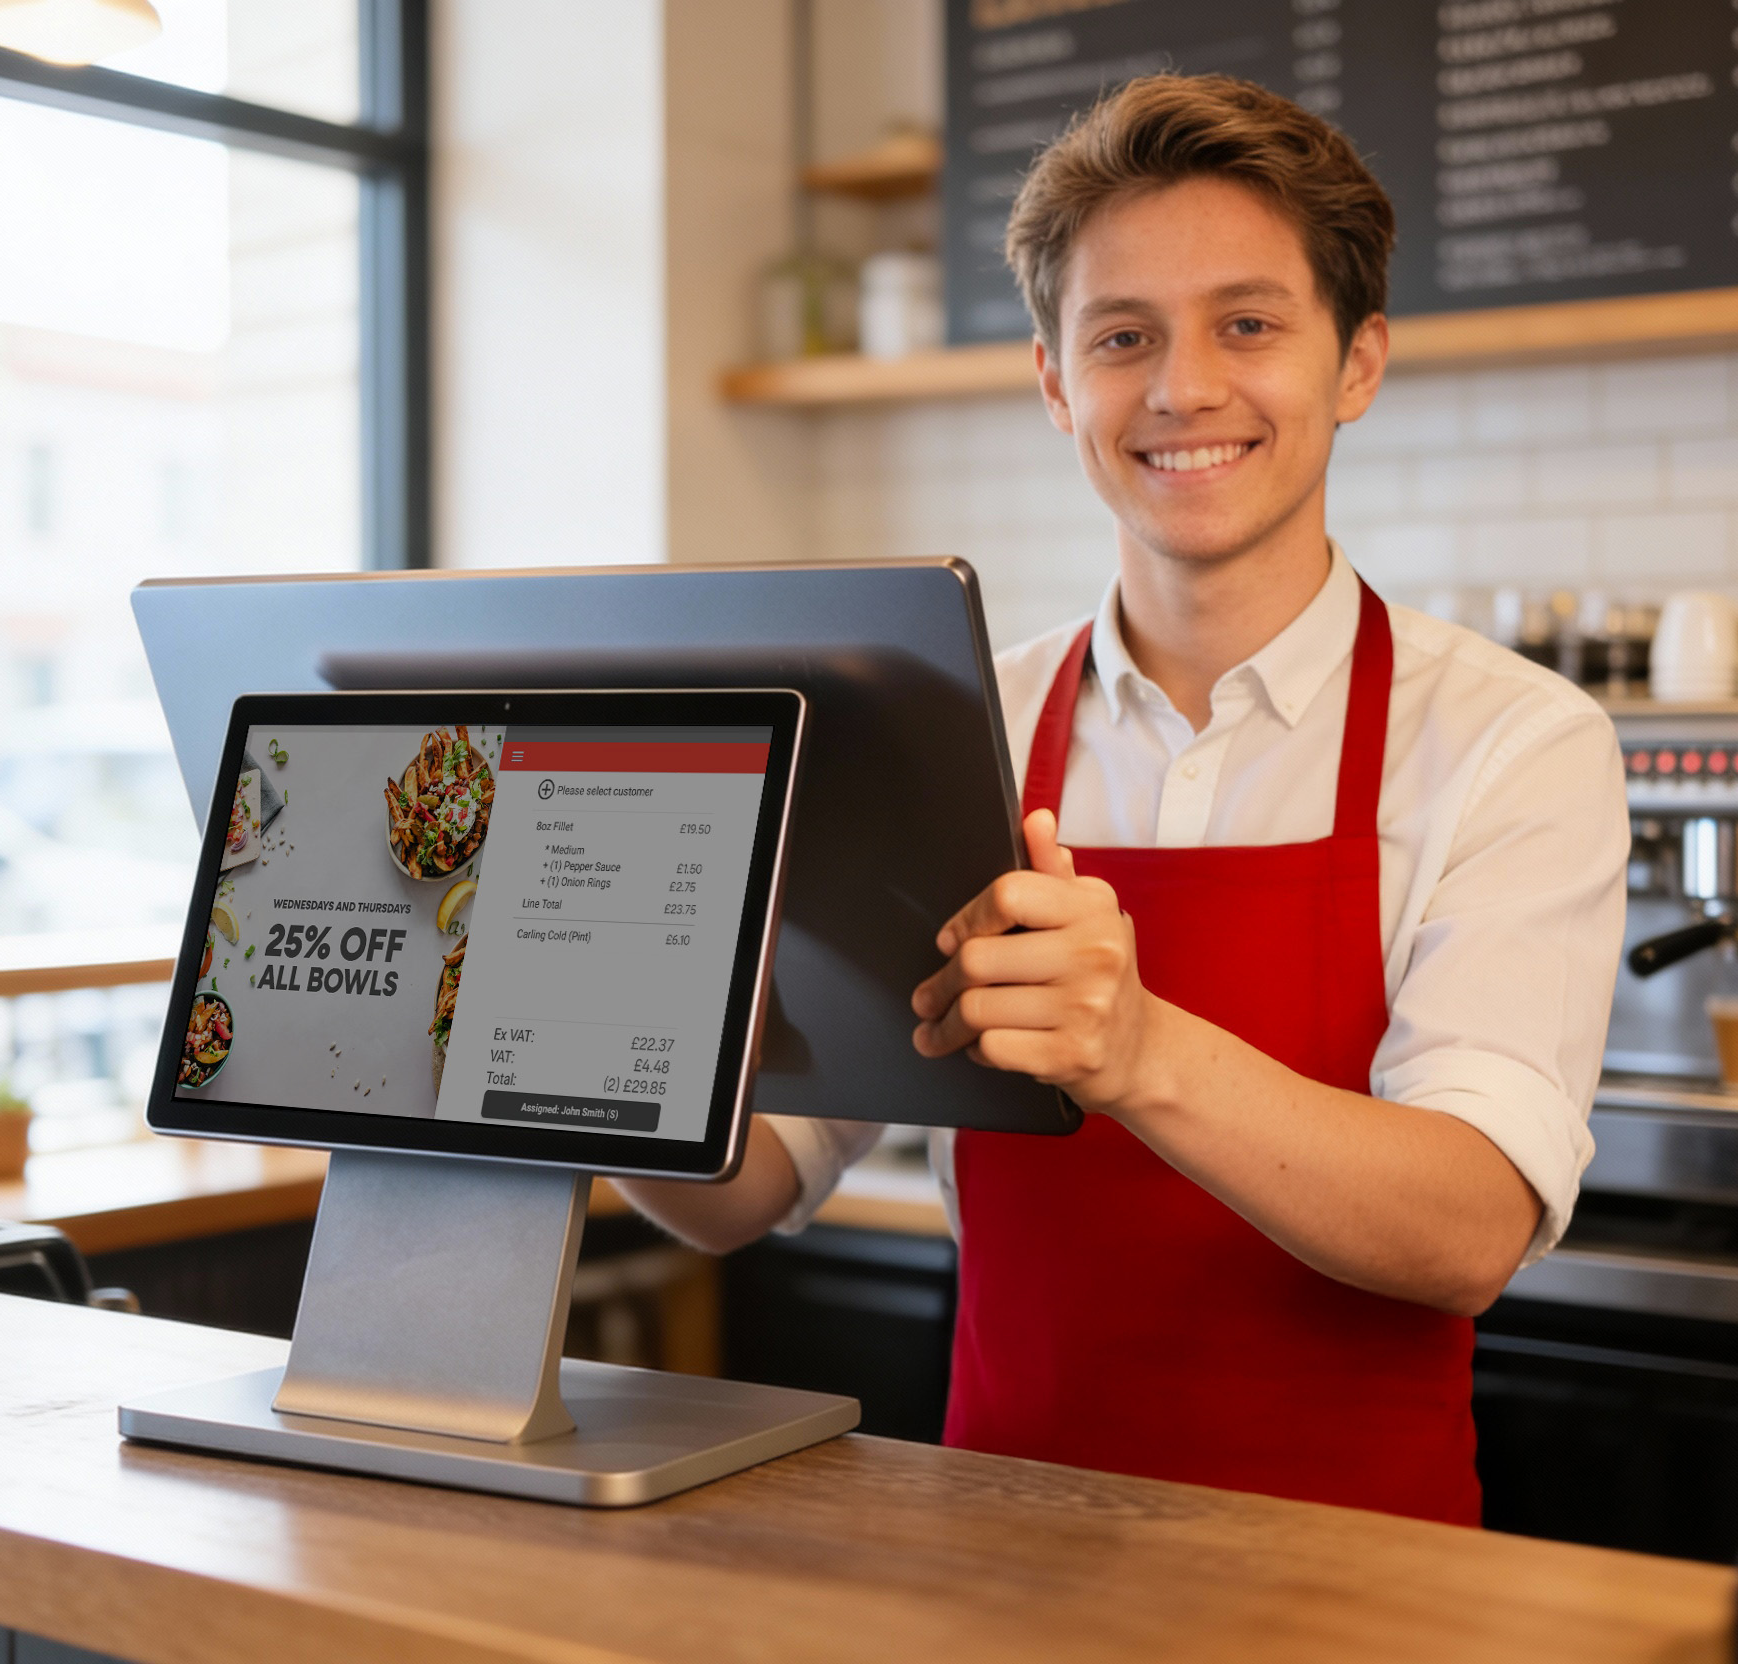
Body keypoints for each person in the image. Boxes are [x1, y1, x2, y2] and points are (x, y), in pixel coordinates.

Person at [616, 73, 1628, 1525]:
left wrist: (1139, 1048)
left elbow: (1472, 1224)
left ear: (1357, 364)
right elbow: (750, 1188)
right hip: (1000, 1569)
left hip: (1366, 1597)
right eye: (1122, 337)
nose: (1183, 388)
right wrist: (575, 1058)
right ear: (1053, 383)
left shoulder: (1512, 742)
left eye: (1250, 324)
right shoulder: (956, 726)